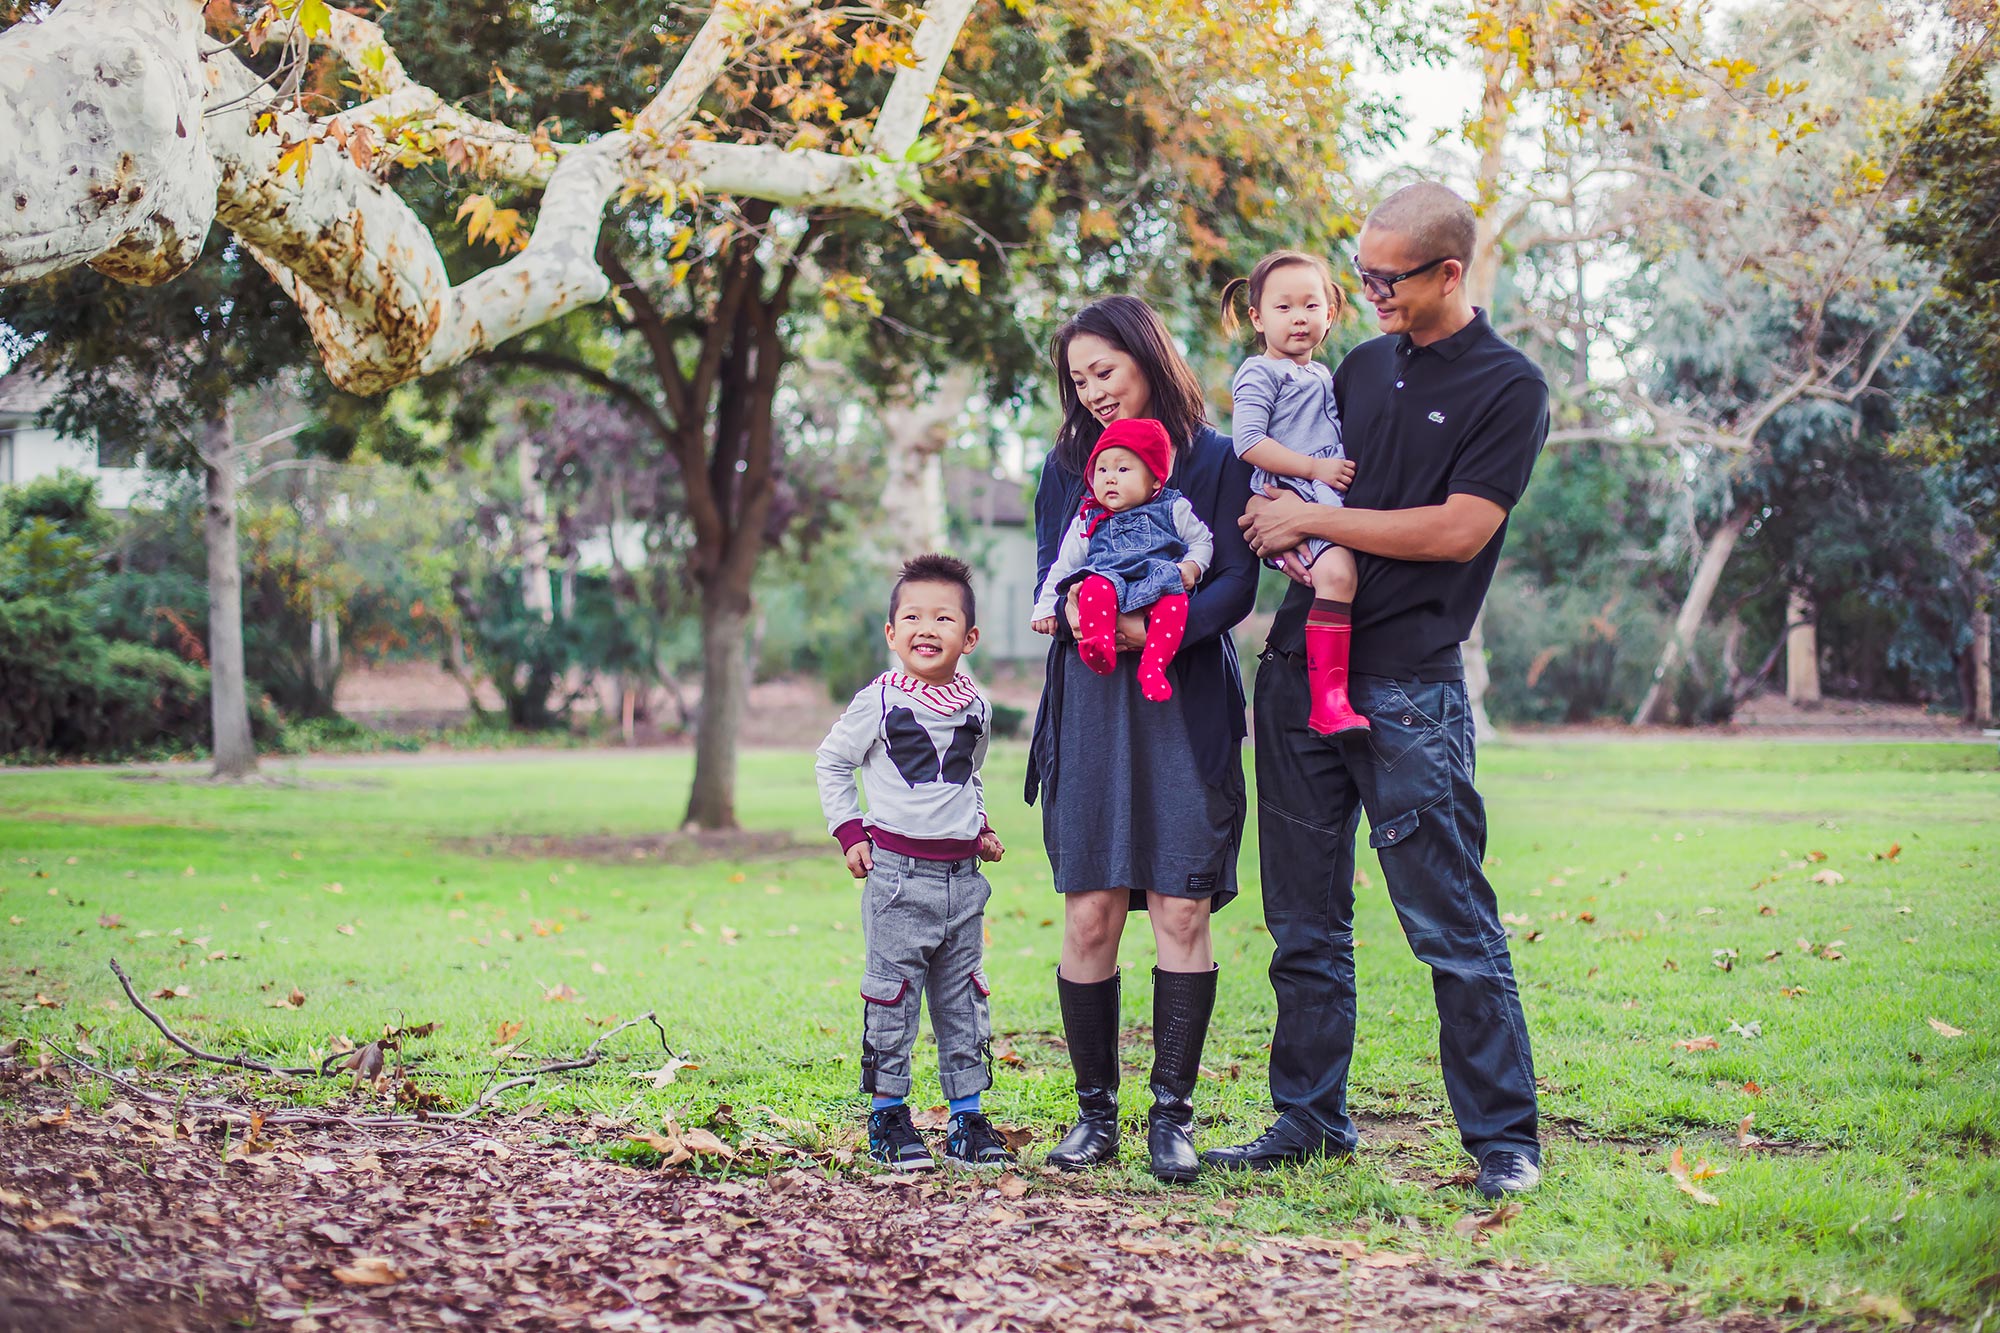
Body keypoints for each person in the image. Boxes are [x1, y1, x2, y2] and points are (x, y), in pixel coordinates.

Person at [1207, 182, 1551, 1200]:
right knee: (1302, 920)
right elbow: (1291, 481)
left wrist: (1316, 529)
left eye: (1384, 279)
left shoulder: (1507, 387)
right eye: (1359, 276)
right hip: (1297, 667)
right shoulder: (1353, 365)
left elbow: (1454, 529)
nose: (1367, 295)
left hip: (1409, 687)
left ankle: (1502, 1140)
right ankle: (1308, 1119)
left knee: (1448, 918)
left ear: (1449, 273)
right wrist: (1276, 525)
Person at [1025, 295, 1258, 1182]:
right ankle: (1094, 1117)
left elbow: (1236, 584)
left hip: (1185, 696)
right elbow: (1061, 571)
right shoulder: (1066, 466)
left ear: (1150, 358)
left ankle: (1172, 1116)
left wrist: (1150, 633)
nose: (1092, 393)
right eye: (1079, 380)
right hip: (1088, 705)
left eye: (1105, 372)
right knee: (1089, 909)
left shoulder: (1219, 460)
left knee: (1180, 907)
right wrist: (1098, 631)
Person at [814, 553, 1012, 1172]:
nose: (928, 628)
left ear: (969, 637)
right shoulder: (878, 700)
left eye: (944, 618)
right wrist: (850, 832)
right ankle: (888, 1115)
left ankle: (967, 1118)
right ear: (892, 633)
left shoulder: (976, 703)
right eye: (913, 617)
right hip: (899, 878)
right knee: (892, 998)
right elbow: (831, 762)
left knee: (964, 999)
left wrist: (980, 826)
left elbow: (968, 777)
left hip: (963, 881)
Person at [1223, 250, 1368, 736]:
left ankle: (1335, 693)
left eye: (1311, 305)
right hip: (1298, 492)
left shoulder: (1321, 374)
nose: (1298, 318)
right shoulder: (1259, 372)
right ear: (1257, 318)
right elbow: (1247, 441)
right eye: (1283, 308)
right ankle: (1328, 701)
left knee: (1345, 575)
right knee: (1339, 575)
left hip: (1320, 494)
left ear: (1330, 314)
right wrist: (1314, 469)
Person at [1031, 417, 1214, 702]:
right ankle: (1099, 646)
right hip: (1109, 583)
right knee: (1092, 588)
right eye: (1102, 469)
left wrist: (1192, 566)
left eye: (1123, 468)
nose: (1110, 477)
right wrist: (1044, 608)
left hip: (1156, 581)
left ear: (1155, 479)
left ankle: (1153, 667)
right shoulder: (1088, 517)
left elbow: (1202, 540)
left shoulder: (1173, 508)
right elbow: (1064, 565)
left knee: (1175, 602)